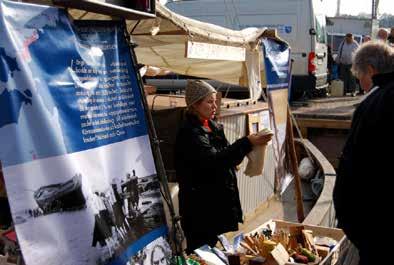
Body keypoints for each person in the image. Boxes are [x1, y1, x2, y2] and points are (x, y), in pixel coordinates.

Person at [174, 80, 272, 252]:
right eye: (209, 102)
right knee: (200, 251)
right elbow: (214, 160)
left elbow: (225, 155)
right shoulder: (189, 132)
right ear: (195, 105)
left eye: (215, 101)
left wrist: (239, 155)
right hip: (199, 209)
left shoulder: (213, 126)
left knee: (212, 247)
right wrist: (246, 142)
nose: (214, 106)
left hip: (215, 205)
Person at [333, 41, 394, 265]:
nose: (361, 84)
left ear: (370, 69)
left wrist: (350, 221)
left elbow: (357, 162)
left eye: (360, 77)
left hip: (376, 225)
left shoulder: (377, 102)